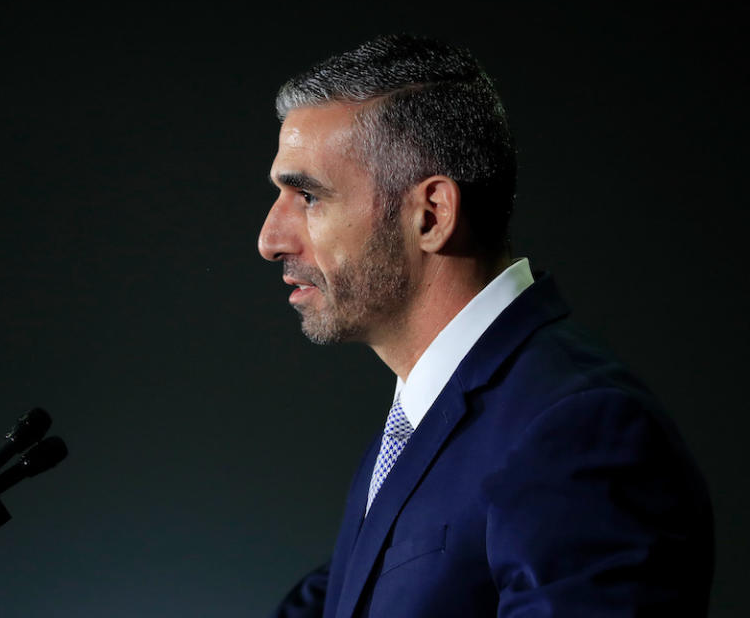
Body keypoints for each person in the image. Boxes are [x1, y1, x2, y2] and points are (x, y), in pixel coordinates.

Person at [257, 35, 713, 618]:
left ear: (431, 215)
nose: (270, 240)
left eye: (308, 196)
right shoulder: (420, 422)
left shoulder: (576, 430)